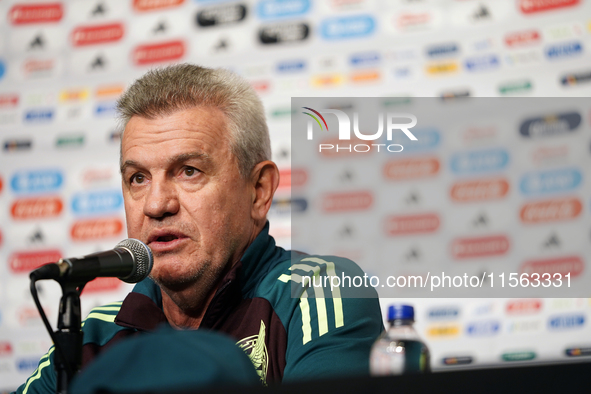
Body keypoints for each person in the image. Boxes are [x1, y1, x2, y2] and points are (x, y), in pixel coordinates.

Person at [14, 63, 384, 393]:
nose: (157, 204)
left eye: (189, 171)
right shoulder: (93, 337)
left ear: (259, 191)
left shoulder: (317, 292)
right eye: (138, 178)